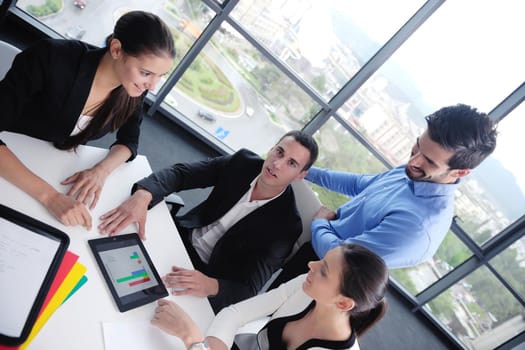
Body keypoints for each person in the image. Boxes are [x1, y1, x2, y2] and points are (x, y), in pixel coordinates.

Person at [271, 104, 497, 287]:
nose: (413, 161)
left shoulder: (419, 227)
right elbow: (361, 185)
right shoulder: (414, 172)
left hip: (330, 280)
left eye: (429, 161)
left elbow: (340, 259)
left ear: (461, 172)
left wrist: (320, 223)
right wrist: (304, 170)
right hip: (319, 243)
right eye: (417, 147)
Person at [98, 130, 319, 312]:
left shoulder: (286, 226)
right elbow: (181, 174)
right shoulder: (242, 163)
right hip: (179, 238)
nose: (277, 164)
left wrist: (210, 285)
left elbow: (248, 288)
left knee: (140, 311)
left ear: (301, 175)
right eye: (278, 152)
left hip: (205, 275)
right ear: (271, 149)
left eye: (291, 163)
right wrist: (144, 195)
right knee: (107, 259)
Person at [0, 11, 175, 230]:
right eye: (146, 73)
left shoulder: (133, 87)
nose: (152, 85)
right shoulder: (51, 57)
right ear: (117, 50)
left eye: (160, 76)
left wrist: (101, 170)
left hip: (46, 164)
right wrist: (50, 197)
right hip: (12, 157)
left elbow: (129, 141)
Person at [151, 243, 388, 350]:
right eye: (321, 259)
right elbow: (236, 313)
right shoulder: (308, 286)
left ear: (344, 302)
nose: (311, 265)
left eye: (324, 270)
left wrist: (191, 338)